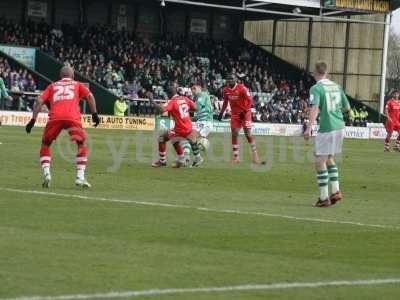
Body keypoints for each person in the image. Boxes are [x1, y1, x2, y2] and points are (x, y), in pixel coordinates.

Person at [25, 66, 100, 188]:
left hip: (55, 118)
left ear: (60, 76)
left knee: (45, 144)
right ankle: (80, 177)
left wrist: (33, 120)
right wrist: (94, 114)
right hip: (72, 117)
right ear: (73, 75)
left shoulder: (53, 86)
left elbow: (39, 100)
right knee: (81, 144)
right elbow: (90, 97)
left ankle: (47, 173)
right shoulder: (77, 85)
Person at [304, 61, 350, 208]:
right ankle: (335, 191)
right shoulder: (337, 86)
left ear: (314, 72)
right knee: (329, 158)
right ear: (327, 72)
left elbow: (315, 108)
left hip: (327, 127)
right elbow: (347, 108)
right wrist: (336, 114)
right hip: (339, 126)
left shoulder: (316, 88)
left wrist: (308, 127)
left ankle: (324, 198)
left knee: (319, 161)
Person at [148, 85, 203, 168]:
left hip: (180, 129)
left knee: (162, 138)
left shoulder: (172, 101)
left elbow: (162, 110)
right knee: (174, 139)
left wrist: (151, 100)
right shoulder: (185, 99)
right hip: (189, 127)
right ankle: (183, 159)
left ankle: (163, 161)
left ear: (168, 94)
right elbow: (196, 108)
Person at [218, 74, 259, 164]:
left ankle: (255, 154)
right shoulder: (226, 90)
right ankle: (236, 157)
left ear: (235, 80)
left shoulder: (242, 88)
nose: (229, 81)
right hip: (235, 114)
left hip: (245, 113)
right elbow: (225, 102)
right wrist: (221, 112)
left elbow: (250, 100)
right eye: (228, 79)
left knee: (247, 134)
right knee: (234, 133)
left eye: (231, 79)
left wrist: (244, 112)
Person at [182, 84, 214, 161]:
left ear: (199, 89)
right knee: (188, 136)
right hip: (202, 121)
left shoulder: (202, 95)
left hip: (205, 121)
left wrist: (184, 108)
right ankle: (192, 157)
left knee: (190, 136)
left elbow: (197, 107)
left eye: (194, 88)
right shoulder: (197, 98)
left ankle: (190, 157)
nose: (192, 90)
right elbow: (196, 117)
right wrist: (186, 118)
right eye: (191, 89)